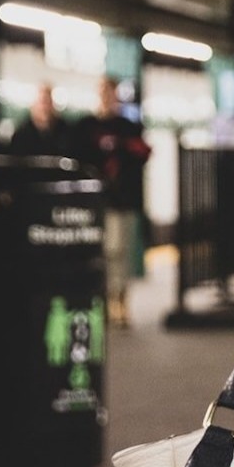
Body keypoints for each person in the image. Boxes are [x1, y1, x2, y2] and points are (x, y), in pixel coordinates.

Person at [73, 76, 152, 327]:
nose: (106, 97)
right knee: (102, 252)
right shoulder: (85, 127)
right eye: (102, 92)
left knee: (120, 251)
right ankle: (104, 300)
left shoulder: (128, 127)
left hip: (122, 200)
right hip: (96, 201)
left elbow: (143, 153)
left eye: (110, 92)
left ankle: (120, 301)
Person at [9, 82, 72, 157]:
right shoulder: (22, 134)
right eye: (41, 102)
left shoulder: (65, 132)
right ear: (33, 105)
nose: (44, 107)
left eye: (47, 102)